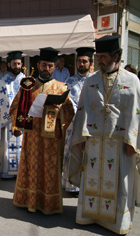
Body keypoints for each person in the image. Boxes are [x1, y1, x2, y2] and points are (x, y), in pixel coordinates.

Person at [68, 35, 140, 234]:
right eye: (97, 56)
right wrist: (80, 138)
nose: (99, 60)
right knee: (92, 177)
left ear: (116, 56)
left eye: (103, 56)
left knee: (119, 181)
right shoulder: (91, 80)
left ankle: (118, 222)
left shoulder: (132, 80)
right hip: (94, 140)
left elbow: (136, 112)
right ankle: (89, 216)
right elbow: (82, 110)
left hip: (119, 142)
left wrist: (132, 141)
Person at [10, 47, 74, 214]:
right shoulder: (28, 86)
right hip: (31, 138)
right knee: (31, 169)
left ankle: (48, 205)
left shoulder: (61, 88)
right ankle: (29, 202)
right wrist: (17, 125)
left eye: (50, 66)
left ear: (54, 67)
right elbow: (14, 108)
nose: (47, 69)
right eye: (44, 65)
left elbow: (70, 113)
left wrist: (60, 110)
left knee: (49, 172)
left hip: (52, 139)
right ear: (38, 65)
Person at [62, 47, 95, 193]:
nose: (81, 64)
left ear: (91, 63)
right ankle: (71, 185)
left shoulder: (96, 81)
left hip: (91, 126)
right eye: (79, 61)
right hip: (73, 125)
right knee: (72, 152)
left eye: (84, 61)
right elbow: (66, 102)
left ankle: (88, 185)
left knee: (89, 155)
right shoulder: (69, 81)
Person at [0, 51, 25, 178]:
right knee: (8, 144)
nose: (17, 66)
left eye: (18, 64)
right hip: (9, 122)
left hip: (23, 119)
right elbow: (0, 101)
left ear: (21, 64)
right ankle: (8, 171)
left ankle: (22, 172)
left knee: (23, 145)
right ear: (9, 64)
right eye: (14, 64)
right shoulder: (3, 81)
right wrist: (4, 119)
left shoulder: (26, 80)